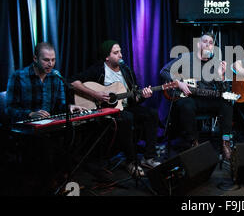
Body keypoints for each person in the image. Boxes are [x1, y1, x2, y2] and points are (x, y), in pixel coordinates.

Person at [70, 40, 161, 177]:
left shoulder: (126, 71)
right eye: (116, 52)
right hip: (105, 111)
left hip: (125, 107)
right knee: (127, 118)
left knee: (152, 113)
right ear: (107, 57)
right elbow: (73, 82)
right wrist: (96, 94)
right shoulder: (98, 69)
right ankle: (131, 161)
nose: (120, 55)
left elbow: (134, 98)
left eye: (120, 52)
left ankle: (148, 157)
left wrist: (143, 96)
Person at [5, 42, 85, 194]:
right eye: (46, 60)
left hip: (49, 125)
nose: (50, 64)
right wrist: (30, 114)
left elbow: (61, 104)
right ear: (35, 58)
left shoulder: (56, 77)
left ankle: (64, 179)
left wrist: (69, 107)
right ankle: (50, 184)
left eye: (53, 60)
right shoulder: (18, 76)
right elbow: (9, 109)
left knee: (73, 133)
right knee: (45, 143)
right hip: (26, 129)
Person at [160, 33, 233, 160]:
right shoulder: (186, 57)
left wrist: (221, 76)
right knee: (186, 105)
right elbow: (164, 71)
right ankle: (194, 143)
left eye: (211, 43)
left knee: (227, 102)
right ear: (199, 44)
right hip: (190, 99)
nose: (208, 45)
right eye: (205, 41)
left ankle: (225, 142)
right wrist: (179, 83)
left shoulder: (215, 63)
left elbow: (223, 91)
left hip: (207, 99)